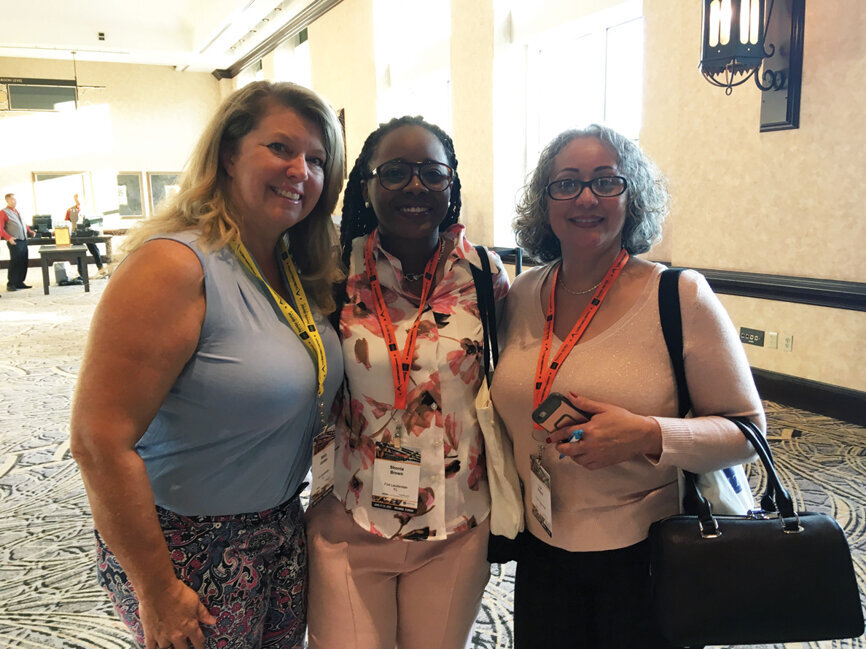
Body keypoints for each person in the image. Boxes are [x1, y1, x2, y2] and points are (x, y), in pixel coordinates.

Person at [69, 81, 346, 649]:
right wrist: (156, 588)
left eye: (317, 159)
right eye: (280, 148)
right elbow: (97, 440)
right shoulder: (172, 265)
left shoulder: (294, 264)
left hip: (279, 529)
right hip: (185, 549)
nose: (300, 170)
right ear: (227, 153)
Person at [490, 124, 765, 649]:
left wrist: (646, 434)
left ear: (630, 195)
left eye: (605, 181)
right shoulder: (523, 294)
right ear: (545, 204)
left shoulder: (678, 295)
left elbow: (748, 432)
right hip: (541, 548)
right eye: (566, 184)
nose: (586, 197)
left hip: (649, 556)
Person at [305, 116, 510, 649]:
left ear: (451, 183)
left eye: (431, 172)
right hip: (351, 518)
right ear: (367, 187)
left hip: (457, 524)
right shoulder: (331, 274)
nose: (415, 186)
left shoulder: (486, 276)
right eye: (394, 172)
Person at [65, 193, 108, 278]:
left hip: (87, 233)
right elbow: (66, 222)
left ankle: (101, 269)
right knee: (79, 253)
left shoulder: (86, 210)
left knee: (95, 250)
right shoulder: (70, 210)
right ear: (75, 200)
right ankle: (82, 273)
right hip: (76, 233)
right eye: (77, 199)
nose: (78, 201)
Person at [1, 193, 34, 291]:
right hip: (14, 241)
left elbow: (23, 224)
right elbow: (0, 228)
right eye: (12, 200)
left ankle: (20, 282)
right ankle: (11, 283)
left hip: (23, 240)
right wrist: (8, 238)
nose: (14, 201)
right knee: (15, 262)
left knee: (23, 261)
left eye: (15, 200)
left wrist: (30, 231)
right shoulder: (3, 212)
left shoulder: (17, 212)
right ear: (7, 201)